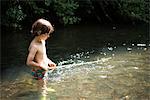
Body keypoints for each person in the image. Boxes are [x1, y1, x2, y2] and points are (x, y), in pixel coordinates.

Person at [26, 18, 56, 96]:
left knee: (43, 84)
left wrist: (49, 62)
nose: (48, 36)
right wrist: (41, 66)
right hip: (39, 71)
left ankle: (43, 89)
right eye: (47, 34)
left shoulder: (42, 41)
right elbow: (29, 62)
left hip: (43, 69)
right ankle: (42, 96)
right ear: (39, 33)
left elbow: (43, 56)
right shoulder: (34, 46)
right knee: (41, 89)